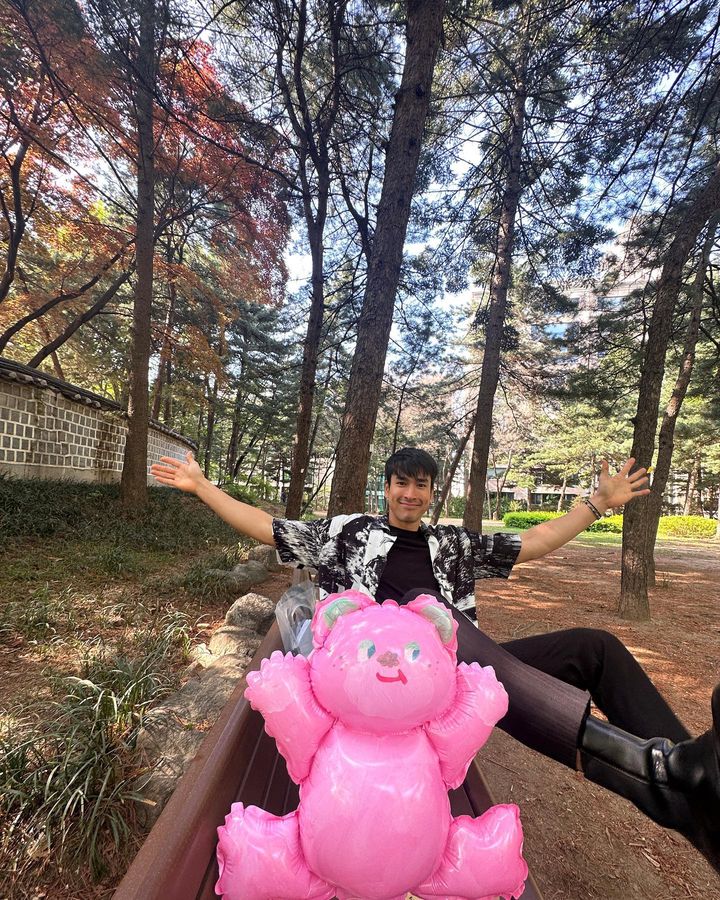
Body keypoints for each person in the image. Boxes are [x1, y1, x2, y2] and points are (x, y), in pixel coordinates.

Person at [150, 446, 719, 874]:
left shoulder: (452, 545)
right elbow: (266, 526)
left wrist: (596, 504)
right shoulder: (346, 535)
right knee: (439, 622)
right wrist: (202, 486)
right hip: (371, 692)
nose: (410, 494)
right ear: (387, 488)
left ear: (431, 493)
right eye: (401, 483)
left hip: (448, 681)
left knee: (593, 647)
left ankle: (699, 778)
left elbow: (535, 542)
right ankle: (664, 775)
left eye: (421, 486)